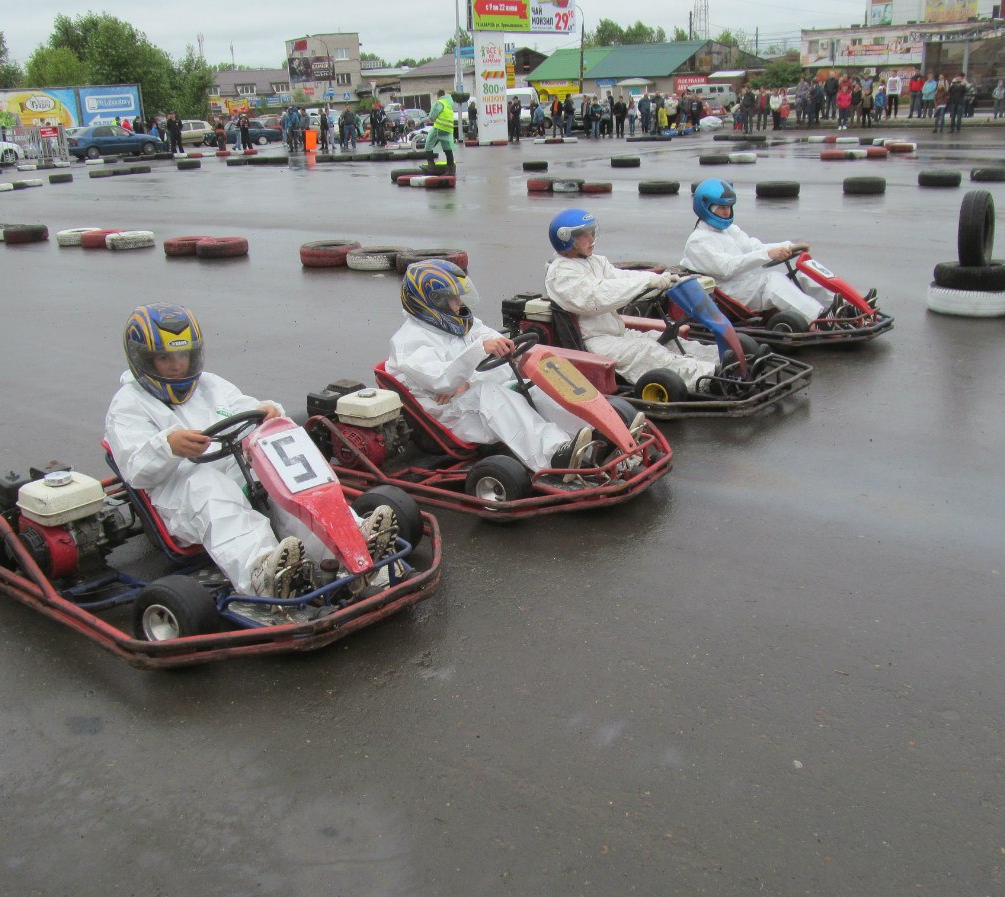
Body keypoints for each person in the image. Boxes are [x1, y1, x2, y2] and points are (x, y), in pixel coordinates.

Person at [105, 304, 395, 602]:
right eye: (165, 358)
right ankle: (262, 572)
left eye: (183, 355)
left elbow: (246, 409)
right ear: (143, 359)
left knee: (279, 468)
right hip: (180, 496)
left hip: (234, 472)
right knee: (208, 486)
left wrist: (269, 411)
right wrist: (168, 446)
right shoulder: (128, 405)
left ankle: (350, 544)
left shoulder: (209, 384)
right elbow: (135, 469)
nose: (177, 365)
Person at [386, 260, 596, 476]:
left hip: (465, 396)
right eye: (453, 298)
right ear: (434, 302)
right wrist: (478, 354)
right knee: (493, 397)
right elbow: (441, 380)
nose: (459, 302)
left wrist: (468, 380)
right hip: (441, 416)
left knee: (532, 387)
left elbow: (492, 342)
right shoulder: (408, 341)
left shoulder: (459, 322)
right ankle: (554, 456)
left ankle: (590, 433)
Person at [544, 209, 731, 395]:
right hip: (593, 342)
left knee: (663, 340)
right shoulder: (561, 274)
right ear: (566, 239)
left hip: (616, 333)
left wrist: (659, 281)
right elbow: (596, 297)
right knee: (646, 351)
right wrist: (645, 282)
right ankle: (709, 378)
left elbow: (620, 277)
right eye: (584, 235)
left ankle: (724, 359)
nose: (591, 237)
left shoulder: (595, 261)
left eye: (592, 232)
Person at [679, 180, 840, 328]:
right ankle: (820, 320)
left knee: (799, 271)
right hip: (728, 293)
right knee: (772, 282)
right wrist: (768, 255)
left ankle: (842, 305)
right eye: (721, 207)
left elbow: (754, 247)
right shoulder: (698, 242)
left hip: (745, 284)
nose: (727, 212)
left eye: (728, 207)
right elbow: (726, 267)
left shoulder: (729, 230)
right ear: (707, 207)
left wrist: (789, 246)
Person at [424, 90, 456, 175]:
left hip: (439, 127)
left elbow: (432, 116)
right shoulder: (448, 104)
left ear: (438, 96)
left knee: (428, 144)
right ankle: (451, 169)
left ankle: (431, 165)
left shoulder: (439, 103)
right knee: (447, 148)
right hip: (449, 128)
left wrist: (431, 118)